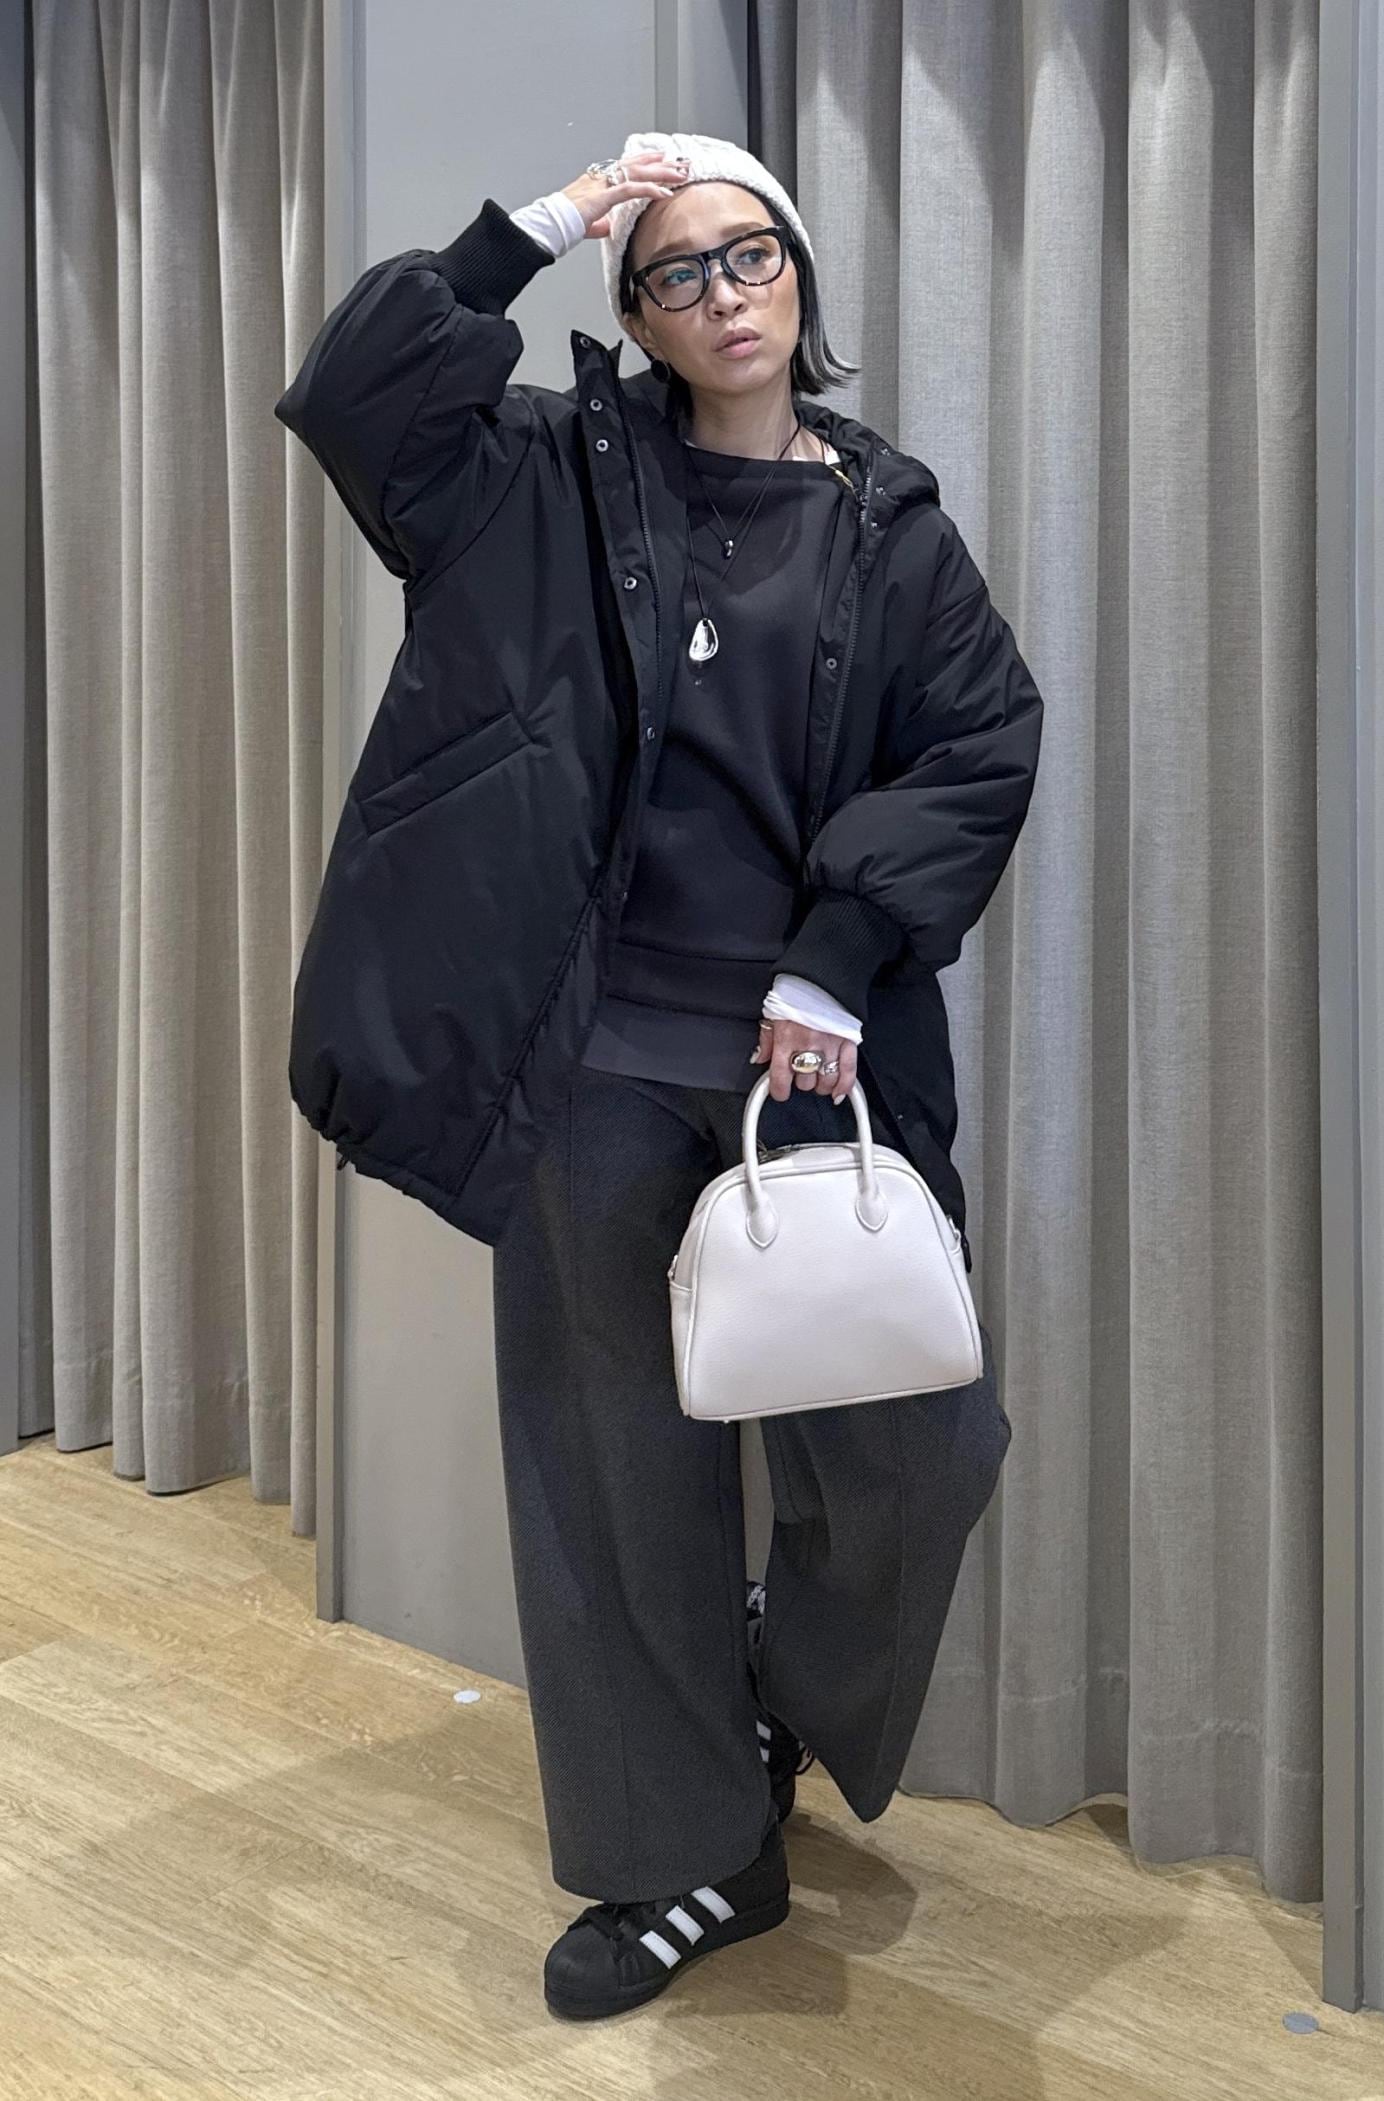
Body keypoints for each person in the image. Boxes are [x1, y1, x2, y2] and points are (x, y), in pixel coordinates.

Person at [274, 130, 1043, 2022]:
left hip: (810, 1070)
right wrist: (542, 222)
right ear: (633, 310)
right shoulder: (541, 475)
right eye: (676, 269)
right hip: (593, 1054)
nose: (722, 291)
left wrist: (838, 955)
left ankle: (763, 1701)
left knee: (923, 1452)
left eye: (750, 252)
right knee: (616, 1469)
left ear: (802, 276)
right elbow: (354, 393)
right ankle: (688, 1853)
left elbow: (979, 746)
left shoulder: (891, 526)